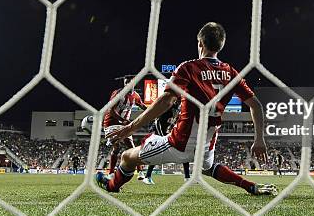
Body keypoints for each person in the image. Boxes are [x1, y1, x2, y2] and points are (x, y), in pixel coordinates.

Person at [97, 22, 277, 196]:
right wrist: (259, 139)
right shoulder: (230, 72)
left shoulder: (189, 68)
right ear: (220, 46)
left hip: (178, 144)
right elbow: (256, 105)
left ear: (200, 43)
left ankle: (112, 185)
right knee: (208, 166)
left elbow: (166, 101)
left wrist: (129, 128)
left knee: (128, 157)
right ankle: (251, 186)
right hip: (206, 144)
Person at [102, 76, 147, 179]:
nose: (127, 85)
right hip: (111, 123)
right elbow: (111, 110)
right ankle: (111, 173)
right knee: (117, 146)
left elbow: (142, 106)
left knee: (131, 146)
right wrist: (123, 120)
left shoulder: (135, 96)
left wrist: (153, 110)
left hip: (124, 124)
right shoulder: (117, 93)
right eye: (125, 83)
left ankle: (140, 172)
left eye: (129, 83)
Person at [142, 100, 190, 184]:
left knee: (183, 149)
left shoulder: (181, 108)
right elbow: (158, 121)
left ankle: (187, 177)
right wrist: (162, 136)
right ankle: (147, 176)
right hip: (161, 130)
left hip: (170, 130)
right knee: (157, 152)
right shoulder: (169, 106)